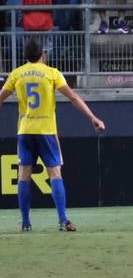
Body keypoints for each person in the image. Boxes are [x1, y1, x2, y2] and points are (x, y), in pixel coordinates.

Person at [0, 37, 106, 231]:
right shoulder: (51, 73)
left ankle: (25, 223)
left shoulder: (16, 74)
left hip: (25, 130)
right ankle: (63, 220)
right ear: (43, 54)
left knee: (23, 175)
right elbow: (73, 96)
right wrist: (93, 117)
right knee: (55, 173)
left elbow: (1, 98)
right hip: (46, 131)